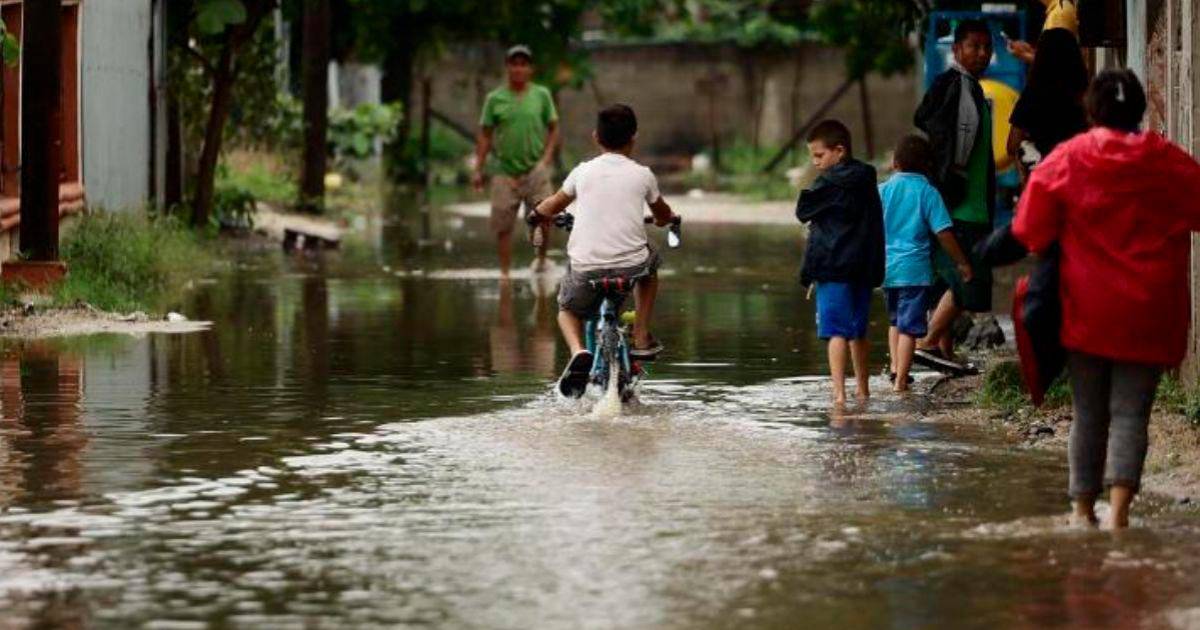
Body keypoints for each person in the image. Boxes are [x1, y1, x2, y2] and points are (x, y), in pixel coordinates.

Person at [1012, 70, 1200, 529]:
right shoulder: (1168, 160)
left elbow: (1029, 230)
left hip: (1087, 310)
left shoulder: (1067, 159)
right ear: (1139, 110)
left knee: (1089, 412)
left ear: (1090, 110)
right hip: (1150, 311)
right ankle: (1118, 515)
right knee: (1132, 413)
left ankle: (1081, 512)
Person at [533, 104, 678, 398]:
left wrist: (537, 214)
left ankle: (578, 352)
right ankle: (640, 334)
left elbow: (553, 205)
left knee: (567, 310)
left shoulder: (582, 172)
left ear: (596, 137)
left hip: (587, 269)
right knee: (651, 264)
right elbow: (662, 214)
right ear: (634, 138)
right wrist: (667, 219)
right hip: (631, 267)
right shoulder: (643, 175)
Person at [912, 19, 996, 375]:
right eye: (974, 46)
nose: (982, 53)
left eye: (987, 47)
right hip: (963, 204)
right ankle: (928, 342)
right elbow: (941, 130)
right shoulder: (958, 86)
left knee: (949, 278)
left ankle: (944, 354)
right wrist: (952, 175)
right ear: (957, 49)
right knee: (970, 280)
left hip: (968, 201)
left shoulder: (968, 87)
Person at [795, 120, 884, 405]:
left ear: (840, 151)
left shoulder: (826, 185)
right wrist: (876, 267)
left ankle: (839, 396)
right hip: (863, 267)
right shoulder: (868, 179)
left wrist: (810, 271)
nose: (815, 162)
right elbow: (876, 226)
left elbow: (805, 215)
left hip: (832, 268)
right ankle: (863, 390)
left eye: (819, 155)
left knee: (835, 332)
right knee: (858, 332)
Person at [879, 135, 973, 393]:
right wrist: (962, 262)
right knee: (909, 328)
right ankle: (901, 382)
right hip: (914, 271)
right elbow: (943, 233)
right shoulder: (928, 192)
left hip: (886, 268)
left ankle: (895, 369)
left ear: (895, 163)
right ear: (927, 166)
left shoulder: (882, 190)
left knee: (895, 322)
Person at [472, 45, 561, 278]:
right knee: (503, 227)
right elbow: (485, 136)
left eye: (523, 64)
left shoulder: (541, 95)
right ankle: (505, 275)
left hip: (536, 169)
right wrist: (478, 169)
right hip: (504, 170)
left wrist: (546, 159)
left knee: (544, 218)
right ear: (507, 67)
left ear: (530, 69)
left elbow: (553, 128)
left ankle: (541, 261)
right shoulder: (495, 99)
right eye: (514, 64)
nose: (519, 69)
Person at [1007, 28, 1089, 180]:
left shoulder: (1032, 94)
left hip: (1043, 180)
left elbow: (1013, 145)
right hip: (1077, 177)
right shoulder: (1083, 94)